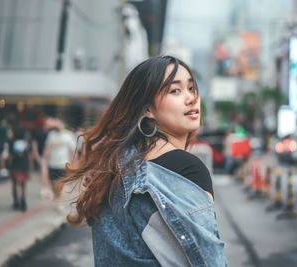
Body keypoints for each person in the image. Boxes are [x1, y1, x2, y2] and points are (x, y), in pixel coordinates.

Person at [56, 56, 228, 266]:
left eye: (192, 88)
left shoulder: (119, 168)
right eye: (175, 90)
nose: (191, 98)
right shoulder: (186, 168)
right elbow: (210, 260)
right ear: (148, 109)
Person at [42, 118, 75, 194]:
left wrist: (73, 163)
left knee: (61, 183)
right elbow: (47, 148)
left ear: (62, 124)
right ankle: (57, 195)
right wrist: (44, 159)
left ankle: (60, 199)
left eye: (58, 123)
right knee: (53, 183)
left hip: (63, 164)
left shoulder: (68, 135)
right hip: (52, 163)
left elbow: (73, 150)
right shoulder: (51, 134)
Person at [8, 124, 31, 211]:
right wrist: (30, 165)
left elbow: (10, 156)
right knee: (23, 184)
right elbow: (29, 155)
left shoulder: (12, 141)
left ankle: (15, 202)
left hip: (15, 165)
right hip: (24, 165)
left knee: (14, 184)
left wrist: (9, 165)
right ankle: (23, 200)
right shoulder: (26, 142)